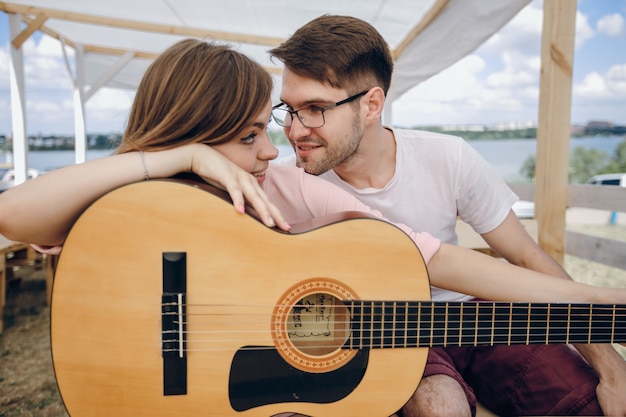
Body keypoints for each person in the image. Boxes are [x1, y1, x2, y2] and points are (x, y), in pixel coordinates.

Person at [0, 38, 623, 417]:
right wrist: (177, 159)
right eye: (250, 137)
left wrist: (600, 302)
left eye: (268, 127)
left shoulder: (282, 185)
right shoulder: (132, 200)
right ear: (194, 131)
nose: (274, 149)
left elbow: (436, 260)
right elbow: (13, 213)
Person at [268, 14, 626, 417]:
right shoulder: (286, 185)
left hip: (474, 317)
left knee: (586, 401)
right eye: (289, 109)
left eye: (315, 109)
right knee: (440, 407)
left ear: (371, 104)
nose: (294, 131)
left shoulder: (448, 157)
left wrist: (612, 368)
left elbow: (527, 258)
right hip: (387, 331)